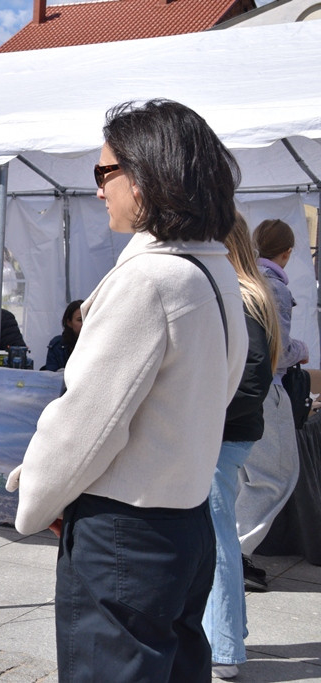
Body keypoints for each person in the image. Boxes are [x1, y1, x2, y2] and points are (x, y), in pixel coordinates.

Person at [7, 99, 247, 682]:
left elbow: (87, 421)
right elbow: (223, 386)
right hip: (183, 523)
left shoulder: (149, 278)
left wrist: (36, 501)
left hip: (126, 533)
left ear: (147, 176)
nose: (97, 190)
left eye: (104, 173)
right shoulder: (213, 270)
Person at [203, 213, 279, 680]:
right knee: (219, 534)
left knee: (217, 539)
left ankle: (226, 650)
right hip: (230, 431)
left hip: (222, 434)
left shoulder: (243, 297)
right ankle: (231, 636)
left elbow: (251, 379)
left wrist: (206, 418)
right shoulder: (252, 294)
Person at [234, 218, 309, 592]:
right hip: (266, 391)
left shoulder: (241, 277)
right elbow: (276, 353)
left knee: (243, 476)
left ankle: (231, 554)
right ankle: (234, 553)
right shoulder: (273, 286)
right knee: (277, 477)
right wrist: (304, 350)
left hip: (237, 389)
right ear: (288, 252)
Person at [41, 299, 83, 371]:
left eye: (88, 319)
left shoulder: (99, 344)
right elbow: (51, 375)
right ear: (69, 322)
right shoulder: (57, 345)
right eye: (80, 320)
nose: (85, 323)